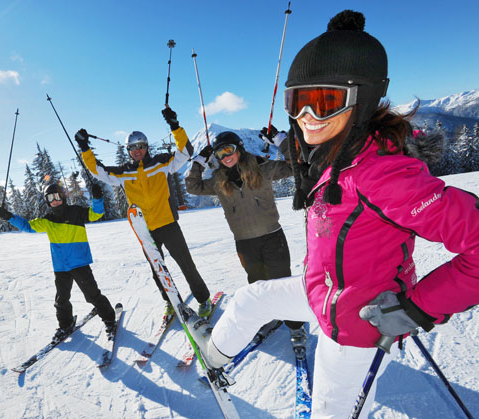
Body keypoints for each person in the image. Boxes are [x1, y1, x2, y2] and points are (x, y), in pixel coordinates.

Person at [185, 10, 479, 418]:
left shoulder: (382, 173)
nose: (306, 117)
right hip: (323, 294)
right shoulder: (336, 155)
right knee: (251, 299)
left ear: (361, 99)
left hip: (358, 324)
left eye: (323, 102)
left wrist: (416, 308)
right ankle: (214, 357)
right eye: (298, 101)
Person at [74, 107, 213, 317]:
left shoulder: (162, 163)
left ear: (146, 147)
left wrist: (175, 125)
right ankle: (170, 301)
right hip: (145, 230)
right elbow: (97, 170)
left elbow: (185, 151)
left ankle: (203, 299)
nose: (137, 150)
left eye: (140, 146)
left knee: (186, 264)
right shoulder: (123, 173)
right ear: (128, 150)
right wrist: (84, 147)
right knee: (158, 270)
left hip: (168, 224)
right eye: (132, 147)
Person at [184, 129, 307, 357]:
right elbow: (192, 186)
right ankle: (267, 317)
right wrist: (199, 162)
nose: (226, 156)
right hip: (244, 243)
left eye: (229, 150)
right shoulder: (218, 181)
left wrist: (281, 141)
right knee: (257, 285)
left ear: (239, 148)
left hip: (272, 237)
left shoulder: (264, 169)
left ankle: (296, 327)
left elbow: (296, 165)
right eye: (220, 154)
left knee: (283, 284)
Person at [0, 182, 118, 343]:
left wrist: (97, 198)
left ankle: (110, 320)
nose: (54, 200)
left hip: (79, 262)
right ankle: (65, 325)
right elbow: (27, 226)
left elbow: (96, 214)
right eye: (50, 198)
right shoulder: (48, 220)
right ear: (47, 201)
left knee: (92, 295)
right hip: (61, 266)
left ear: (62, 197)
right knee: (61, 299)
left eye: (56, 196)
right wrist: (10, 217)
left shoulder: (76, 212)